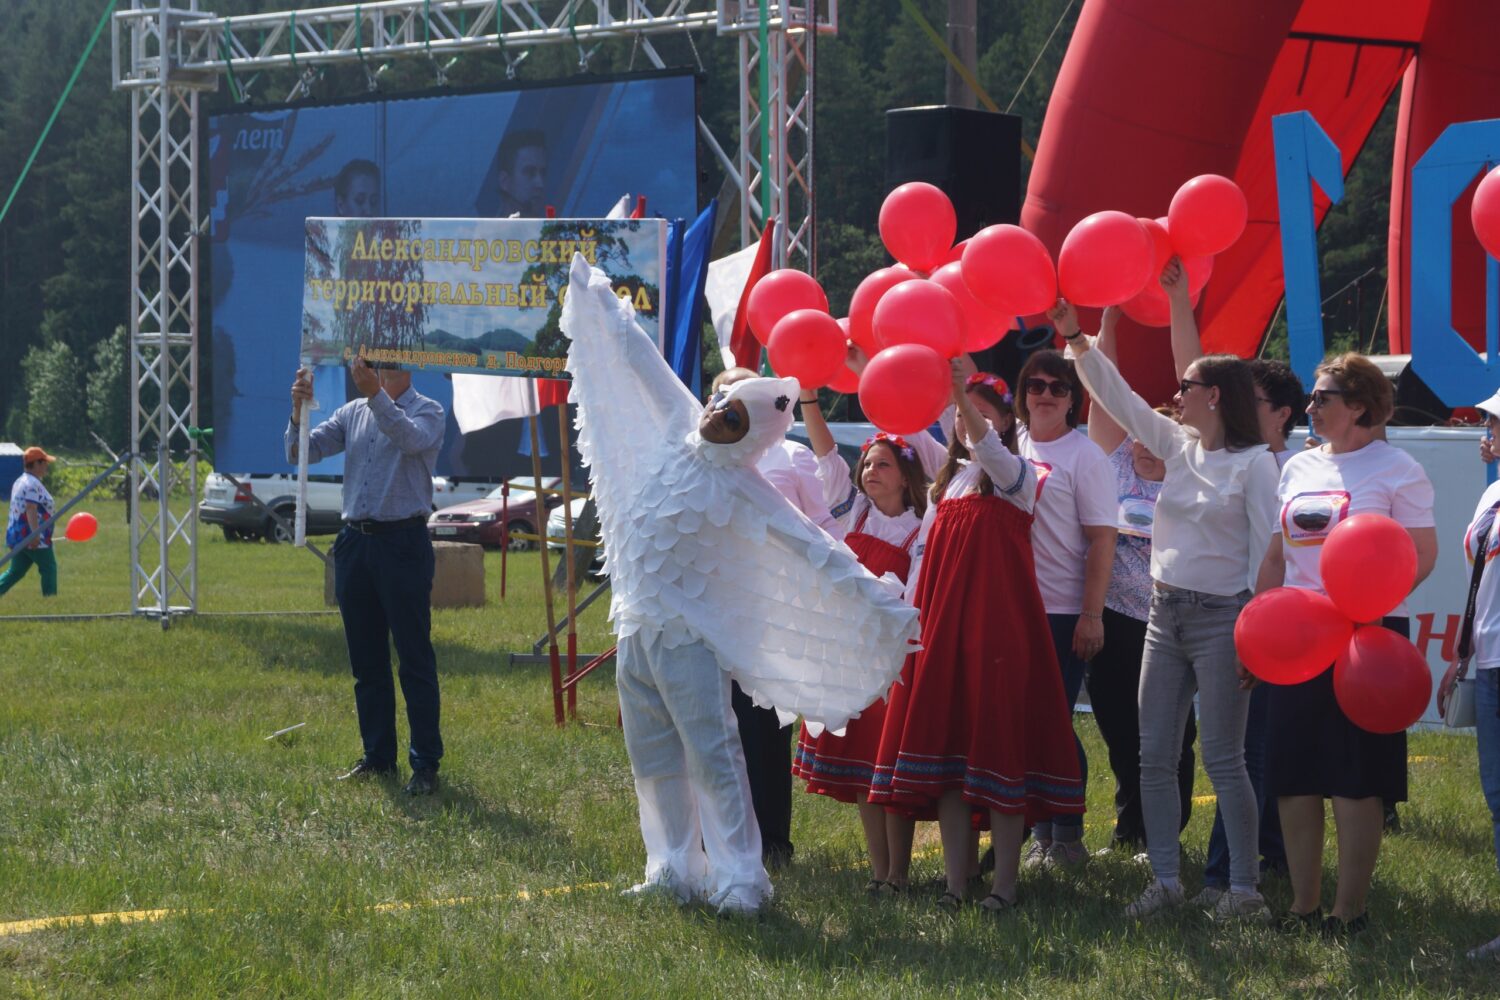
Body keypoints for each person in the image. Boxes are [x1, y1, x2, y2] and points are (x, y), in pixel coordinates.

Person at [557, 255, 918, 917]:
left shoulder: (748, 490)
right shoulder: (676, 424)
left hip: (691, 637)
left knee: (714, 754)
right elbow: (643, 362)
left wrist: (879, 599)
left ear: (750, 438)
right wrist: (601, 301)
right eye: (721, 406)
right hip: (637, 627)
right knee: (654, 754)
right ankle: (671, 865)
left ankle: (740, 877)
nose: (715, 416)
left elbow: (815, 549)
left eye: (732, 417)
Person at [1061, 289, 1280, 923]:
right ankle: (1165, 881)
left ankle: (1243, 892)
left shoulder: (1256, 464)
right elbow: (1119, 396)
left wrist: (1256, 636)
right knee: (1152, 754)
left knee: (1223, 758)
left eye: (1188, 385)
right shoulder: (1180, 445)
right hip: (1164, 615)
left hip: (1224, 619)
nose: (1176, 392)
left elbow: (1271, 556)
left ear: (1215, 395)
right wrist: (1079, 338)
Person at [870, 358, 1085, 914]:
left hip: (997, 633)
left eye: (984, 414)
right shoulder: (950, 482)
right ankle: (955, 884)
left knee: (1000, 755)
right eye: (965, 414)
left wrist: (963, 396)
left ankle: (1004, 887)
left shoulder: (1019, 475)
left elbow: (985, 444)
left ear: (1004, 424)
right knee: (946, 758)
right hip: (944, 630)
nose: (969, 423)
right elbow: (925, 561)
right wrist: (909, 624)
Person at [1257, 352, 1437, 937]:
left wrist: (1366, 604)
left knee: (1356, 777)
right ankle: (1304, 906)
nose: (1309, 407)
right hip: (1297, 634)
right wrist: (1256, 626)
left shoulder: (1399, 468)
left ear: (1358, 406)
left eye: (1322, 397)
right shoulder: (1297, 468)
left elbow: (1423, 554)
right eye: (1312, 397)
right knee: (1294, 774)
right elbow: (1277, 555)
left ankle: (1348, 911)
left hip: (1368, 637)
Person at [1162, 270, 1304, 900]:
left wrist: (1256, 631)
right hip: (1211, 618)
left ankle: (1233, 879)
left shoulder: (1275, 468)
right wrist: (1175, 301)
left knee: (1241, 754)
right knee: (1239, 750)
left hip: (1253, 624)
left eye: (1247, 394)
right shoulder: (1219, 452)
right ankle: (1233, 870)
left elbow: (1270, 556)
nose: (1215, 396)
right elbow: (1191, 375)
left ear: (1278, 413)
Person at [288, 356, 447, 796]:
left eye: (383, 357)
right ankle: (378, 757)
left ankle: (425, 763)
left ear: (405, 364)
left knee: (414, 658)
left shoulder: (427, 410)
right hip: (355, 542)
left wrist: (375, 394)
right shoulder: (352, 411)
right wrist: (297, 413)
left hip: (403, 542)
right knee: (366, 660)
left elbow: (410, 440)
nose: (372, 361)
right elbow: (302, 450)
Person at [793, 392, 930, 892]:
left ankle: (899, 873)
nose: (871, 470)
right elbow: (829, 455)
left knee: (888, 772)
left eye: (883, 463)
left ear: (905, 474)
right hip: (850, 659)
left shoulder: (921, 528)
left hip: (890, 664)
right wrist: (809, 398)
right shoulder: (856, 517)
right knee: (863, 776)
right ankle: (880, 873)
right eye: (867, 462)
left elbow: (912, 598)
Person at [1079, 307, 1198, 856]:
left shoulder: (1188, 471)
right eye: (1138, 435)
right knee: (1120, 731)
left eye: (1157, 436)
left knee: (1173, 734)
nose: (1144, 445)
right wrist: (1110, 318)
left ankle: (1164, 836)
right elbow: (1104, 390)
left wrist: (1177, 305)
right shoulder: (1113, 464)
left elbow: (1191, 371)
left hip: (1173, 620)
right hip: (1115, 622)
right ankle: (1131, 828)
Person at [1012, 348, 1117, 868]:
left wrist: (1091, 615)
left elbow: (1103, 539)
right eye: (1037, 385)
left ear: (1074, 399)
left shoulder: (1085, 455)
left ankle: (1066, 835)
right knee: (1020, 722)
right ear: (1022, 393)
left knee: (1052, 722)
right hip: (1010, 608)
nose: (1046, 395)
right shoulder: (1010, 446)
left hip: (1060, 610)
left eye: (1058, 387)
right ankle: (1037, 830)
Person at [1441, 387, 1500, 959]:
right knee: (1498, 797)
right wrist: (1461, 652)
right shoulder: (1494, 496)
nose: (1485, 431)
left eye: (1493, 421)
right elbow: (1480, 581)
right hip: (1488, 664)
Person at [0, 447, 58, 599]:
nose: (47, 466)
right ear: (37, 463)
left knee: (15, 572)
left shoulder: (20, 481)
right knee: (49, 567)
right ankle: (50, 601)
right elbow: (31, 508)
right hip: (32, 538)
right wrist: (35, 534)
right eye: (45, 462)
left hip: (18, 536)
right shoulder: (32, 484)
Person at [496, 129, 549, 217]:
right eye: (530, 173)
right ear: (505, 181)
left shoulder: (555, 229)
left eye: (543, 173)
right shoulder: (485, 230)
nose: (540, 184)